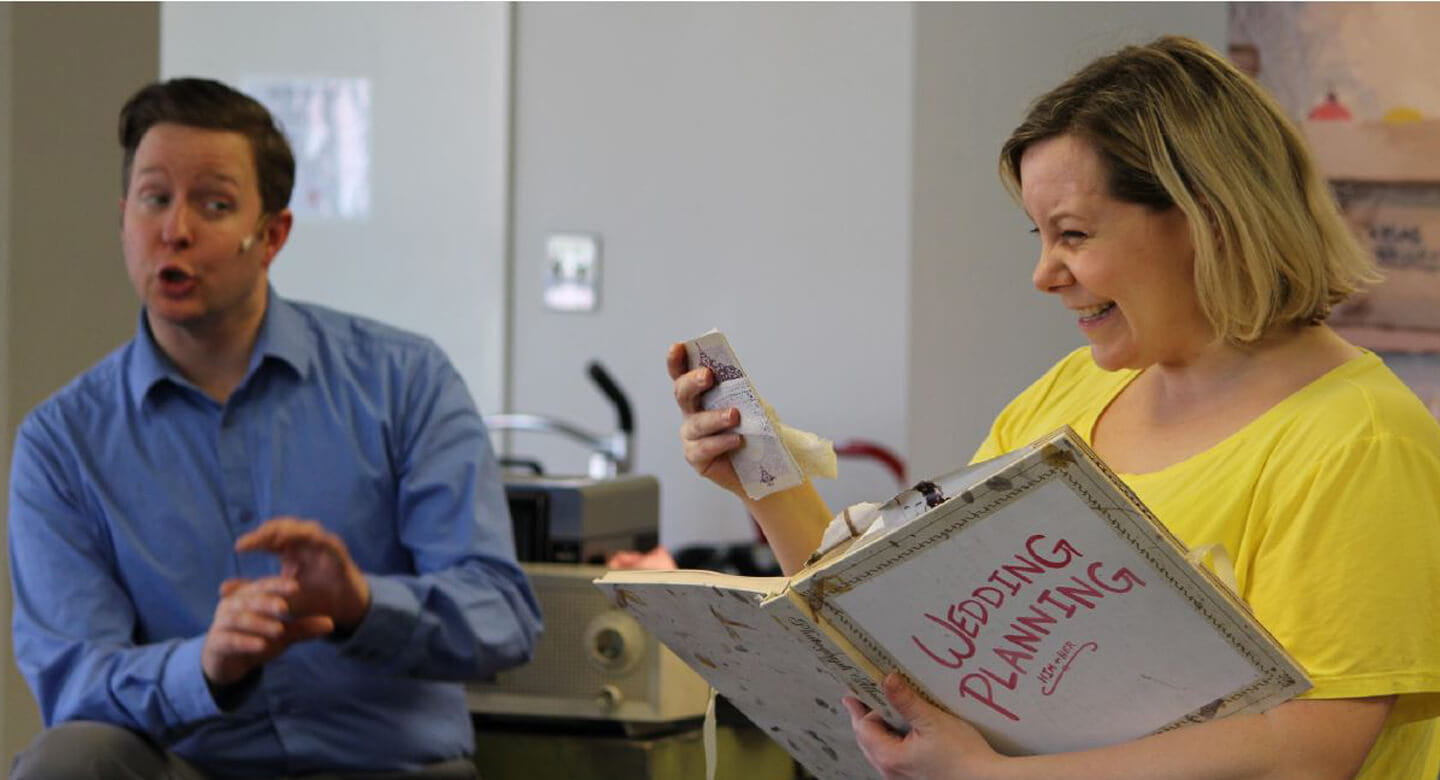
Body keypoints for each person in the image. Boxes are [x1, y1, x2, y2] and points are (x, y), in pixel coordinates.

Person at [668, 36, 1440, 779]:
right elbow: (910, 638)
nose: (1043, 274)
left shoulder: (1360, 442)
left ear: (1208, 220)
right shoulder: (1070, 395)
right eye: (1039, 236)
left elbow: (1307, 754)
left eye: (1072, 235)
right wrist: (764, 477)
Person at [8, 78, 542, 778]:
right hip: (193, 765)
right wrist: (202, 666)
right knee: (68, 759)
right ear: (123, 219)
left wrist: (361, 605)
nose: (175, 230)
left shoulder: (403, 381)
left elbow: (502, 613)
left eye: (214, 204)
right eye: (154, 198)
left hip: (388, 767)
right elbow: (74, 676)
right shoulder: (63, 443)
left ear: (272, 236)